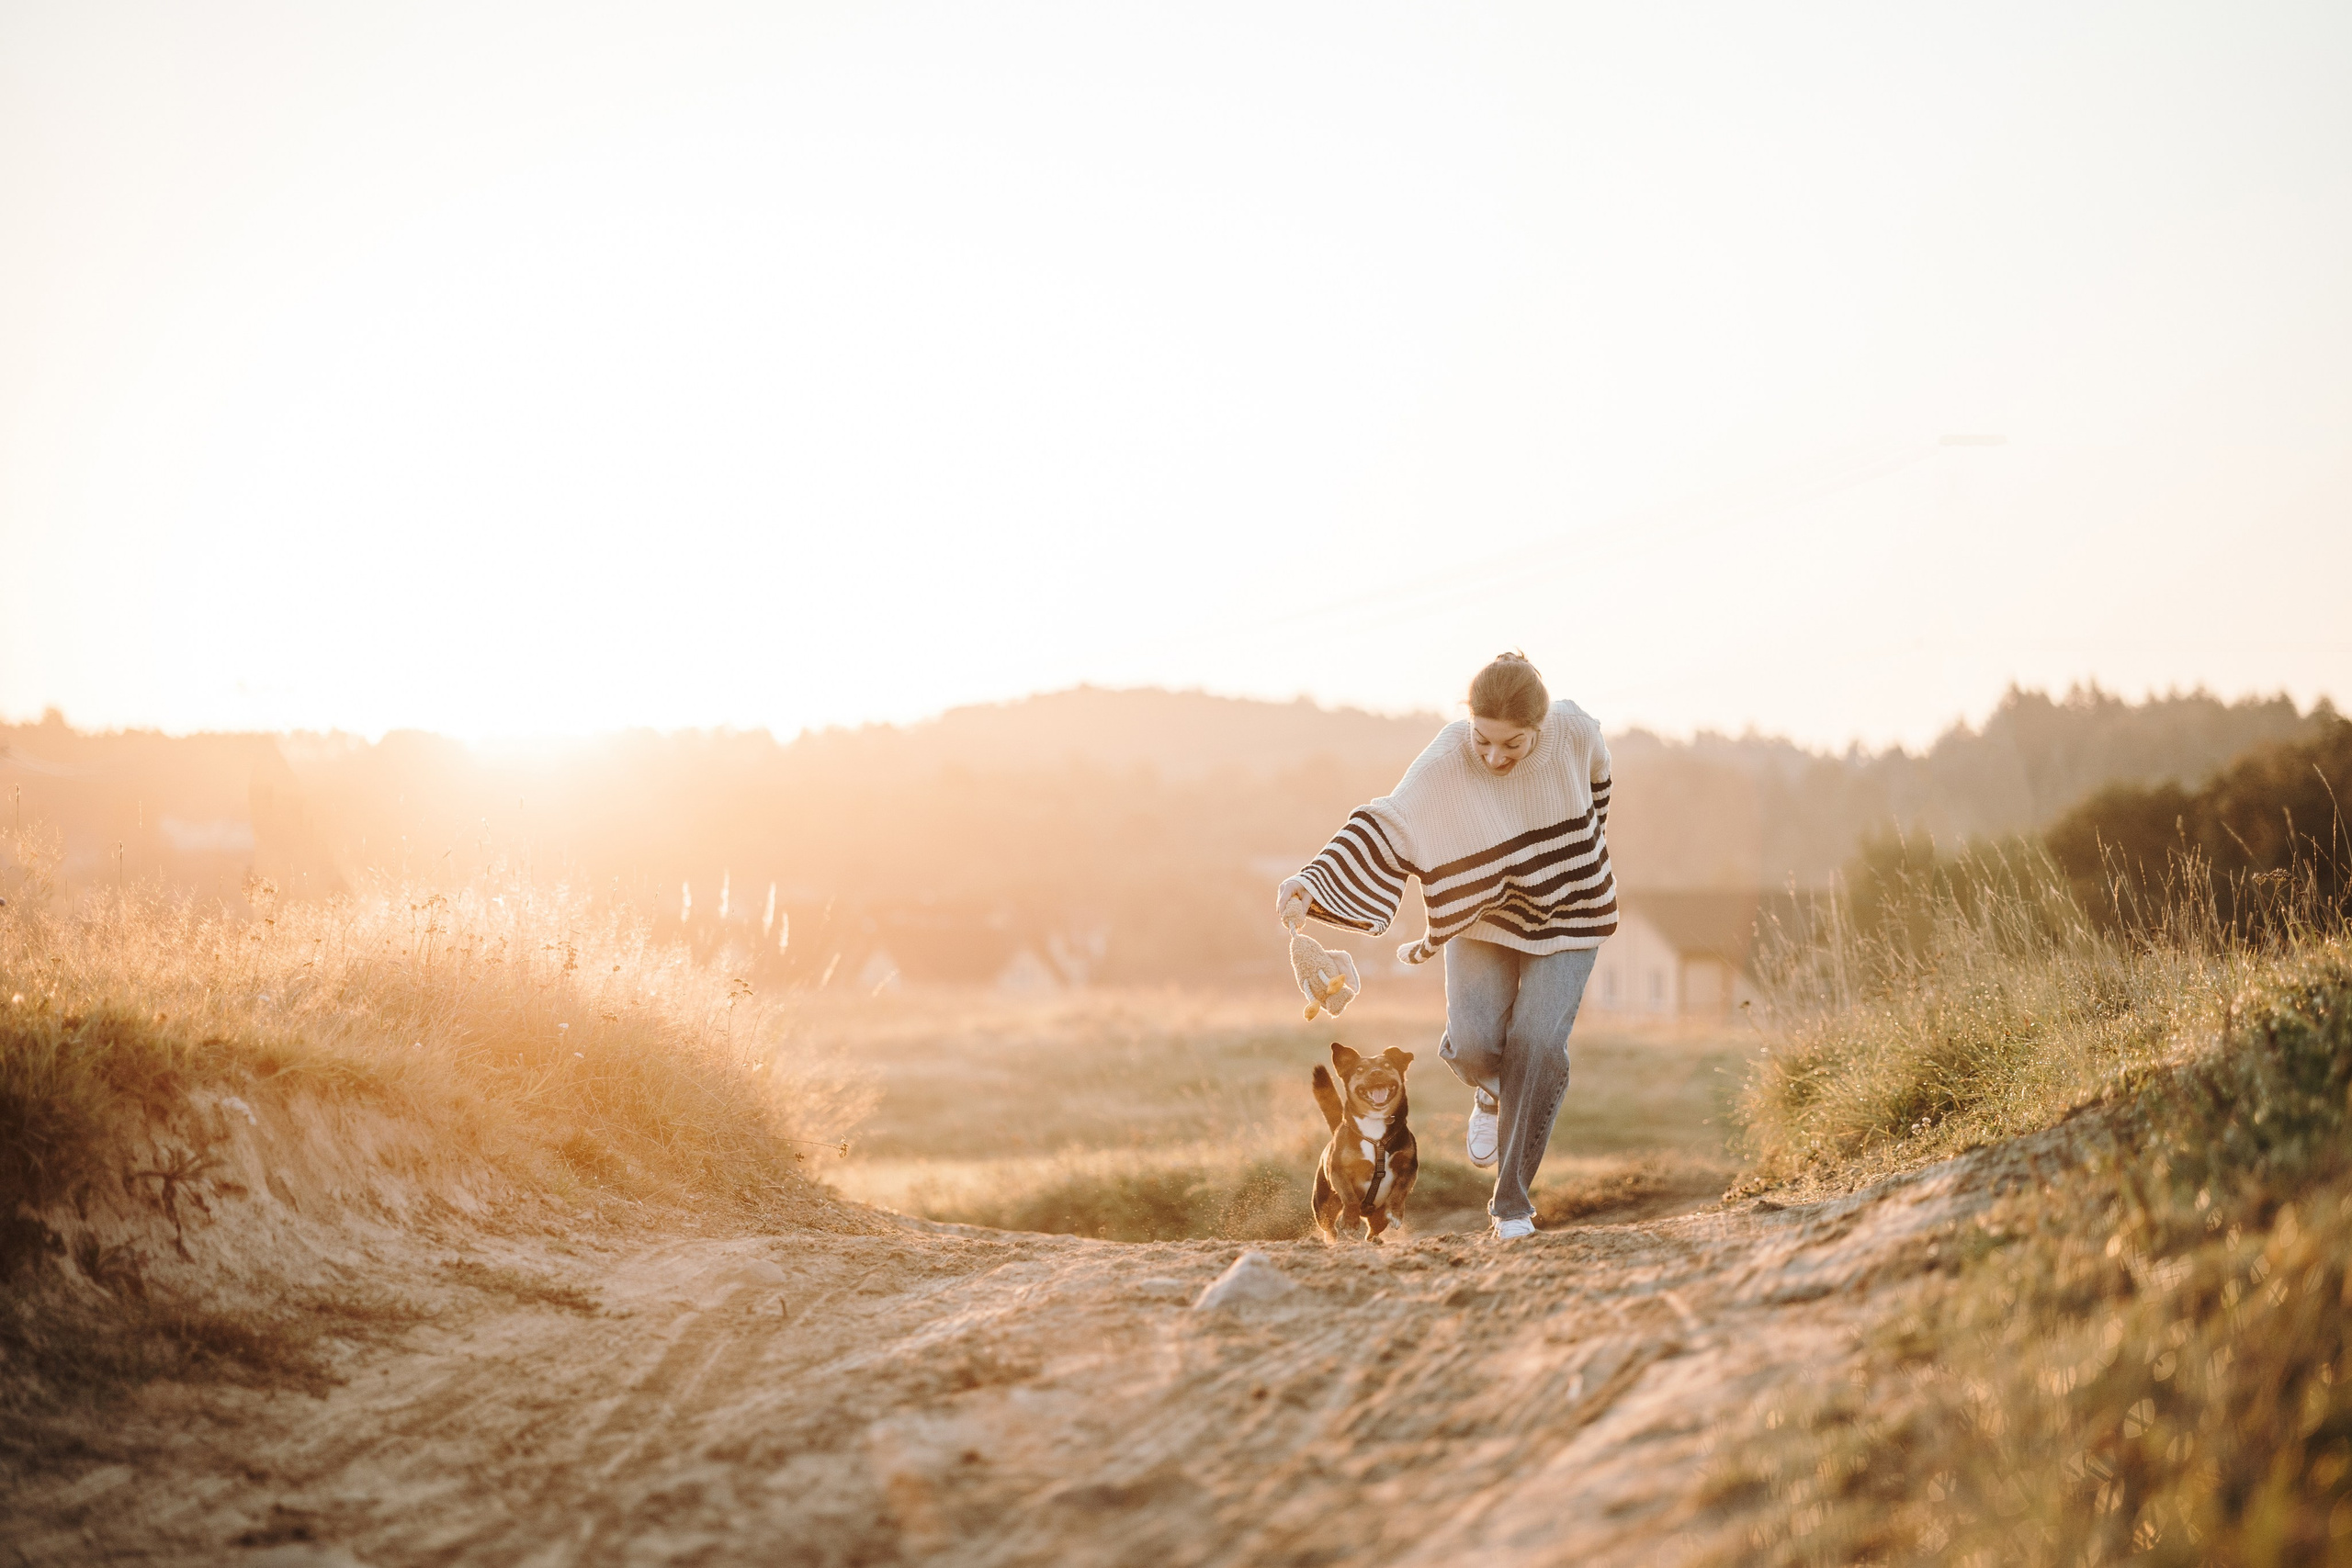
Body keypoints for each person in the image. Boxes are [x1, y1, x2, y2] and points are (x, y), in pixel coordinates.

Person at [1276, 652, 1614, 1240]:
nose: (1493, 756)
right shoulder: (1450, 754)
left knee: (1536, 1045)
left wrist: (1566, 855)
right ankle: (1493, 1091)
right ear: (1469, 721)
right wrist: (1312, 881)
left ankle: (1511, 1206)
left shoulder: (1576, 730)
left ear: (1542, 727)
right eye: (1484, 739)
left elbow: (1599, 786)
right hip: (1482, 913)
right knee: (1479, 1046)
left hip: (1572, 914)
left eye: (1514, 744)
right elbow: (1392, 818)